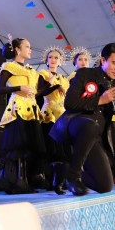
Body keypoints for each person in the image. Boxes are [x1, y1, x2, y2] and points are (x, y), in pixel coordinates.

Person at [49, 43, 115, 195]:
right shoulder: (85, 74)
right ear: (103, 60)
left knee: (105, 186)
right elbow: (69, 103)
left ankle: (65, 170)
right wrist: (101, 100)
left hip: (95, 136)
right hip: (75, 124)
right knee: (90, 126)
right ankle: (73, 176)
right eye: (114, 63)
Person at [0, 37, 48, 193]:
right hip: (18, 109)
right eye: (27, 46)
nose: (30, 50)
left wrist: (49, 86)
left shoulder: (31, 70)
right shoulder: (9, 66)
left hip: (31, 109)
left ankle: (28, 179)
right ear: (17, 49)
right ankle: (19, 181)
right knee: (19, 146)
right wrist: (18, 88)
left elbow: (34, 92)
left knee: (31, 145)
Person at [37, 46, 71, 188]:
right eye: (50, 57)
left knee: (64, 148)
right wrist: (55, 86)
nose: (53, 60)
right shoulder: (43, 74)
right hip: (49, 114)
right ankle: (51, 179)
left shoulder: (64, 79)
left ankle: (64, 179)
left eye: (56, 58)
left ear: (60, 61)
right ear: (46, 60)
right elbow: (41, 92)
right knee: (52, 147)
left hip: (62, 115)